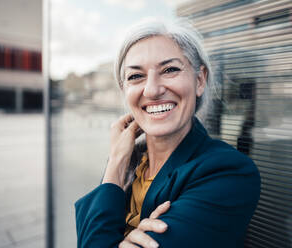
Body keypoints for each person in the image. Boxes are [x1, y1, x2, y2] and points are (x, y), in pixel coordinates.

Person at [75, 18, 261, 248]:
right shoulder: (127, 162)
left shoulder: (228, 172)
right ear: (125, 91)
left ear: (200, 80)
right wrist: (116, 162)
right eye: (135, 76)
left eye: (170, 69)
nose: (152, 90)